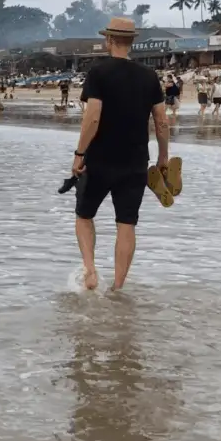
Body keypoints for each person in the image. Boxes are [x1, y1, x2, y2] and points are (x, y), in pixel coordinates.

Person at [71, 17, 168, 292]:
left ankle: (90, 270)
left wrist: (79, 153)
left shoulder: (98, 73)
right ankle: (117, 287)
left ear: (109, 40)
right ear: (132, 41)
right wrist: (163, 157)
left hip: (100, 159)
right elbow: (161, 121)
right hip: (136, 162)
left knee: (84, 215)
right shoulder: (149, 76)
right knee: (126, 223)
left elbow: (92, 118)